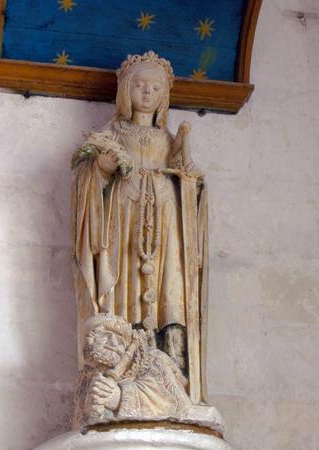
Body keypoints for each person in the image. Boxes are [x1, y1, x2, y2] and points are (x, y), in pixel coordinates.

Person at [71, 52, 208, 392]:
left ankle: (172, 366)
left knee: (169, 287)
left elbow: (191, 184)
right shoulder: (113, 132)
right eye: (140, 86)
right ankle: (121, 361)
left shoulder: (169, 139)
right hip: (124, 215)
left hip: (166, 219)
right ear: (125, 91)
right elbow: (88, 180)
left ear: (165, 95)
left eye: (155, 87)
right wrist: (103, 166)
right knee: (125, 288)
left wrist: (189, 179)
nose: (147, 93)